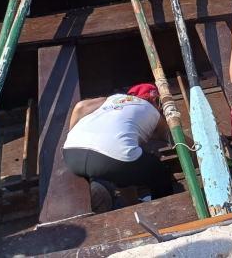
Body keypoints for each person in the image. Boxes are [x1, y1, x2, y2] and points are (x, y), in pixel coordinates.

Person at [63, 83, 172, 211]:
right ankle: (164, 210)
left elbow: (80, 106)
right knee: (158, 172)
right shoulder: (151, 109)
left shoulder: (112, 99)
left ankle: (132, 204)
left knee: (126, 164)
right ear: (155, 100)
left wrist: (71, 136)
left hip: (71, 154)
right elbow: (169, 136)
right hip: (114, 160)